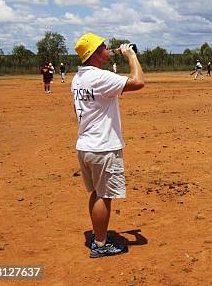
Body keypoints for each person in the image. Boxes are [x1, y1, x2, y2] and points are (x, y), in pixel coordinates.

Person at [72, 32, 144, 258]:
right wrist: (131, 55)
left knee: (96, 193)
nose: (107, 48)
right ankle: (101, 245)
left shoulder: (79, 77)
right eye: (103, 46)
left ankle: (99, 235)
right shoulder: (98, 77)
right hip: (103, 146)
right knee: (104, 196)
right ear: (94, 54)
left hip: (86, 146)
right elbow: (138, 81)